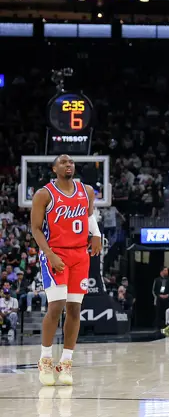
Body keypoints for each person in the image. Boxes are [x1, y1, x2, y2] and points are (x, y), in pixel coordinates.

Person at [30, 155, 102, 386]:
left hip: (80, 254)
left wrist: (97, 234)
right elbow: (35, 228)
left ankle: (66, 362)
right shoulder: (44, 194)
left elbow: (89, 215)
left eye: (70, 162)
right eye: (63, 162)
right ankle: (45, 358)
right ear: (54, 169)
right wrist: (49, 254)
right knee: (56, 306)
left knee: (74, 309)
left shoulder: (86, 190)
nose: (68, 165)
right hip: (55, 252)